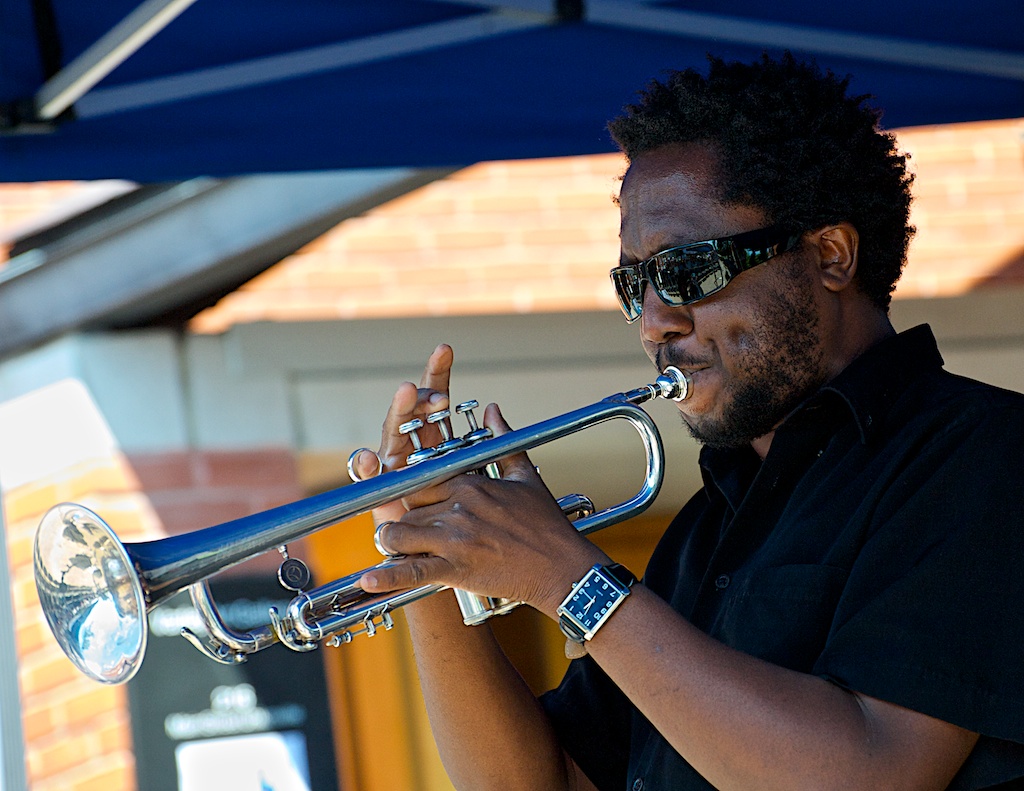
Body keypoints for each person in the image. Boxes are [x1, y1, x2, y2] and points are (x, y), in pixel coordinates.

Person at [352, 53, 1024, 790]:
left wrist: (570, 578)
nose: (654, 322)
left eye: (684, 270)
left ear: (830, 254)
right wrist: (424, 559)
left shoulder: (982, 455)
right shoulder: (707, 527)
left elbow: (867, 772)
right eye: (633, 283)